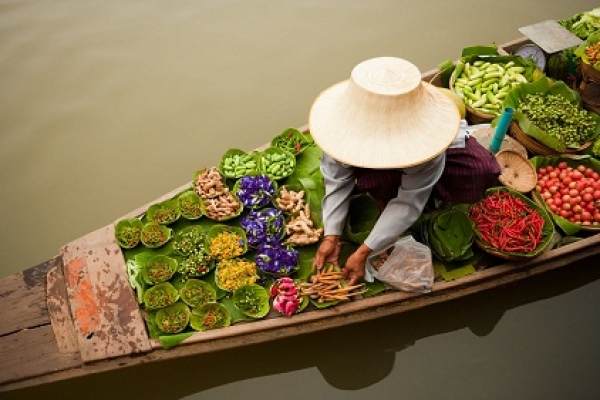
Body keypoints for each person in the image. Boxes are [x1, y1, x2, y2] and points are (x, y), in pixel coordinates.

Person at [309, 56, 462, 285]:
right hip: (380, 169)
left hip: (422, 165)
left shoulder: (424, 145)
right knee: (375, 181)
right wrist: (332, 235)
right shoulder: (341, 134)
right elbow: (336, 181)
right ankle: (383, 200)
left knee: (477, 171)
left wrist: (363, 251)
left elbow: (409, 202)